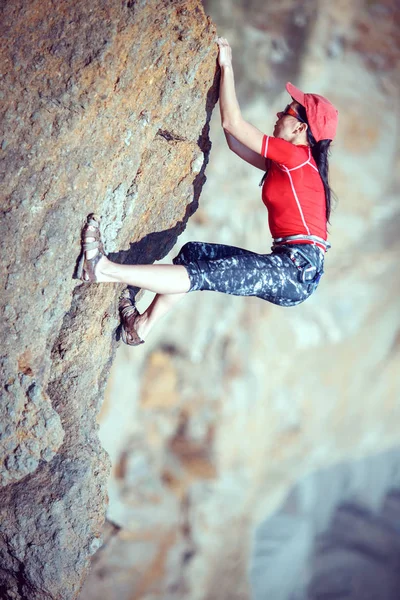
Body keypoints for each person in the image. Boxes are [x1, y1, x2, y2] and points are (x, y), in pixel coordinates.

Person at [76, 37, 338, 346]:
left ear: (300, 129)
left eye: (287, 112)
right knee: (194, 255)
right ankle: (140, 326)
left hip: (294, 271)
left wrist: (226, 67)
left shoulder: (295, 157)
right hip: (293, 268)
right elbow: (233, 138)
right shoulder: (289, 166)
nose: (278, 116)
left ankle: (103, 269)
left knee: (202, 275)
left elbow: (234, 122)